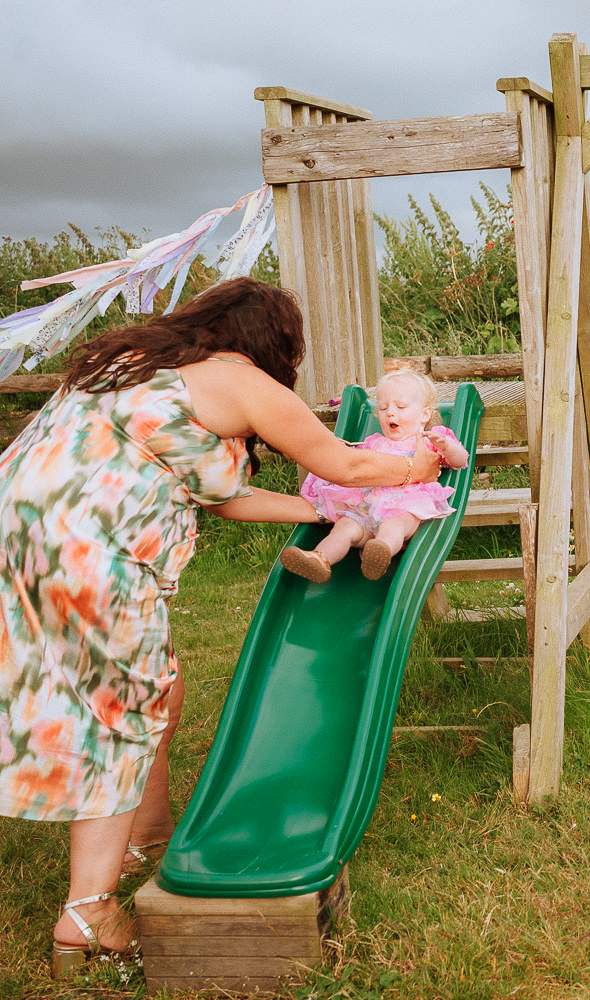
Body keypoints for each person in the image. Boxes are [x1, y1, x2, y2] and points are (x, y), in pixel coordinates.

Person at [0, 277, 441, 976]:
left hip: (18, 533)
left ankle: (147, 839)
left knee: (154, 689)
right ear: (275, 344)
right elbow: (348, 462)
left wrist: (325, 519)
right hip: (90, 549)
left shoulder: (134, 366)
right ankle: (87, 916)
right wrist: (417, 462)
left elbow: (228, 500)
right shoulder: (238, 379)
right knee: (121, 712)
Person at [281, 370, 470, 583]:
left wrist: (447, 446)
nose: (390, 413)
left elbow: (460, 460)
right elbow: (357, 469)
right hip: (364, 510)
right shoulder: (374, 442)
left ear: (425, 414)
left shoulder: (429, 440)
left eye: (400, 407)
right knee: (343, 529)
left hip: (402, 507)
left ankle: (381, 552)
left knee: (394, 525)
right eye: (383, 408)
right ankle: (319, 558)